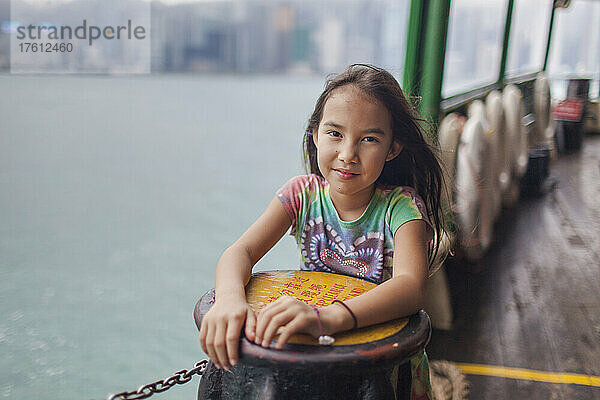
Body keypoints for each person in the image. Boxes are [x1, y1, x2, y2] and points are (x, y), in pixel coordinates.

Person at [198, 64, 446, 399]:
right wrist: (229, 300)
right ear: (315, 134)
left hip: (379, 365)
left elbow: (410, 287)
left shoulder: (402, 208)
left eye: (369, 139)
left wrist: (328, 318)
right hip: (315, 356)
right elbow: (239, 252)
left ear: (392, 148)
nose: (348, 155)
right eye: (335, 134)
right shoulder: (301, 196)